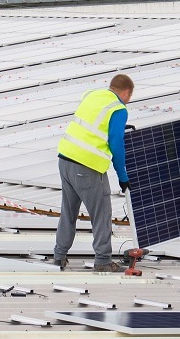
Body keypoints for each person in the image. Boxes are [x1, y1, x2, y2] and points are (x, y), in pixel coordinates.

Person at [53, 74, 134, 272]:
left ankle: (59, 256)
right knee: (101, 214)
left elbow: (93, 125)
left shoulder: (92, 95)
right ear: (127, 92)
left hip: (65, 158)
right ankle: (103, 261)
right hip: (87, 165)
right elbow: (116, 144)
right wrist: (123, 177)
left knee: (68, 212)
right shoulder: (118, 108)